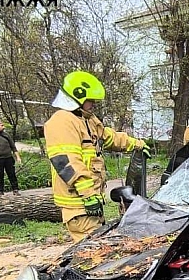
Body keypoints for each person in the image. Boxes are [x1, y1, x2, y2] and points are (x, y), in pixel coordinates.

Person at [44, 71, 148, 242]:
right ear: (77, 96)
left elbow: (109, 137)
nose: (93, 104)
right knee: (91, 252)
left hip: (89, 202)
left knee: (98, 247)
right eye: (90, 100)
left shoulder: (86, 119)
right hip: (78, 203)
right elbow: (67, 161)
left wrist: (137, 144)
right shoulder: (62, 121)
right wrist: (87, 194)